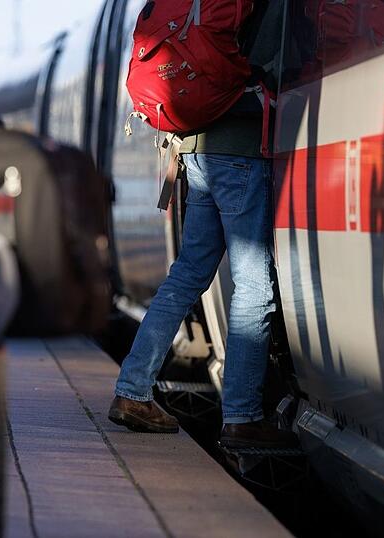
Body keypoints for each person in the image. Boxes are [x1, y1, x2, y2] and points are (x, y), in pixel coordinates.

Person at [108, 0, 296, 448]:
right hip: (241, 150)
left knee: (189, 272)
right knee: (255, 286)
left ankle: (132, 390)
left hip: (196, 149)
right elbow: (273, 61)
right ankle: (243, 418)